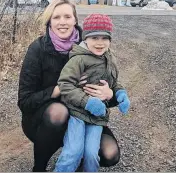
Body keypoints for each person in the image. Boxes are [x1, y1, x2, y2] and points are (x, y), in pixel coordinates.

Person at [18, 0, 122, 172]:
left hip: (84, 115)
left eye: (67, 16)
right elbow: (25, 101)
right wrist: (59, 89)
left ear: (75, 19)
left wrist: (110, 94)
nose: (62, 22)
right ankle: (39, 168)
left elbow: (110, 90)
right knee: (59, 112)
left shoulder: (92, 43)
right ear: (49, 21)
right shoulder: (38, 49)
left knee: (110, 153)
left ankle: (78, 164)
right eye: (56, 17)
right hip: (47, 120)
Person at [54, 14, 131, 172]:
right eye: (94, 37)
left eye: (105, 38)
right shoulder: (78, 60)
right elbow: (65, 84)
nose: (100, 43)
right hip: (77, 114)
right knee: (73, 152)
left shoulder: (109, 59)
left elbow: (113, 83)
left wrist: (119, 94)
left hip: (97, 117)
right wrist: (87, 101)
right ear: (85, 39)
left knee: (91, 154)